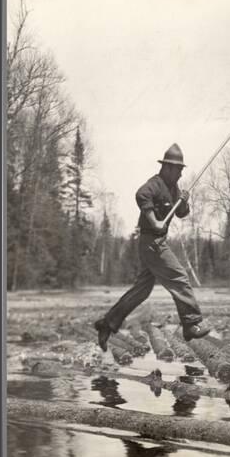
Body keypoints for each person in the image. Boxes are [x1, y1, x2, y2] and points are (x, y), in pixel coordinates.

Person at [94, 143, 210, 351]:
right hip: (152, 243)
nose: (181, 173)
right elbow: (141, 195)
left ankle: (107, 323)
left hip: (156, 244)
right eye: (178, 169)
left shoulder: (173, 188)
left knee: (141, 291)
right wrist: (153, 220)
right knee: (179, 277)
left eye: (182, 170)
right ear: (167, 168)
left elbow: (182, 213)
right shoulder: (155, 184)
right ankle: (191, 324)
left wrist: (184, 201)